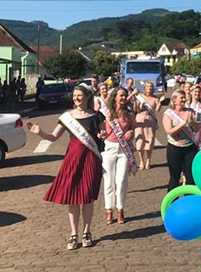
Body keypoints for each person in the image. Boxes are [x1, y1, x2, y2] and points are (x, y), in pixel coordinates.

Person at [26, 85, 107, 250]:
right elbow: (53, 137)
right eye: (74, 95)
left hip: (90, 159)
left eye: (79, 95)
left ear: (87, 96)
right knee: (73, 197)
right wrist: (39, 132)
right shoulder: (67, 117)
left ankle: (87, 232)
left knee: (87, 197)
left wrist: (103, 135)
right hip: (72, 160)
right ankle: (73, 234)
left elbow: (103, 133)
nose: (76, 98)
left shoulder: (97, 116)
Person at [102, 87, 136, 224]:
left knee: (121, 180)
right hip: (109, 148)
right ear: (115, 97)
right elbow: (100, 129)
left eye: (125, 96)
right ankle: (109, 210)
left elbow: (132, 128)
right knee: (108, 181)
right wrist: (101, 134)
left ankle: (120, 209)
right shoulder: (106, 113)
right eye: (120, 95)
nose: (123, 98)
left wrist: (131, 132)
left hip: (123, 150)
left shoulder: (129, 114)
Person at [162, 89, 200, 191]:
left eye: (184, 97)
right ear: (174, 100)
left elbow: (196, 129)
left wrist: (194, 123)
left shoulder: (190, 111)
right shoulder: (168, 114)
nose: (183, 99)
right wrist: (183, 124)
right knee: (175, 177)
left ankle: (189, 198)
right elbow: (169, 131)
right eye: (181, 98)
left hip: (189, 147)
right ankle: (172, 199)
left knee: (190, 177)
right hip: (174, 148)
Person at [134, 81, 162, 169]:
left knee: (150, 140)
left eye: (151, 86)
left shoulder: (155, 99)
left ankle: (148, 160)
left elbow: (157, 110)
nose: (149, 88)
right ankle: (141, 160)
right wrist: (137, 103)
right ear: (144, 88)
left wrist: (160, 102)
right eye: (147, 86)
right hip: (140, 120)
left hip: (150, 121)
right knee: (140, 141)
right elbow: (136, 109)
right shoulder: (140, 97)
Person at [188, 84, 201, 149]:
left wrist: (199, 118)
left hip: (200, 132)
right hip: (188, 131)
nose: (197, 93)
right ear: (191, 92)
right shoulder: (187, 105)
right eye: (195, 91)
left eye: (199, 92)